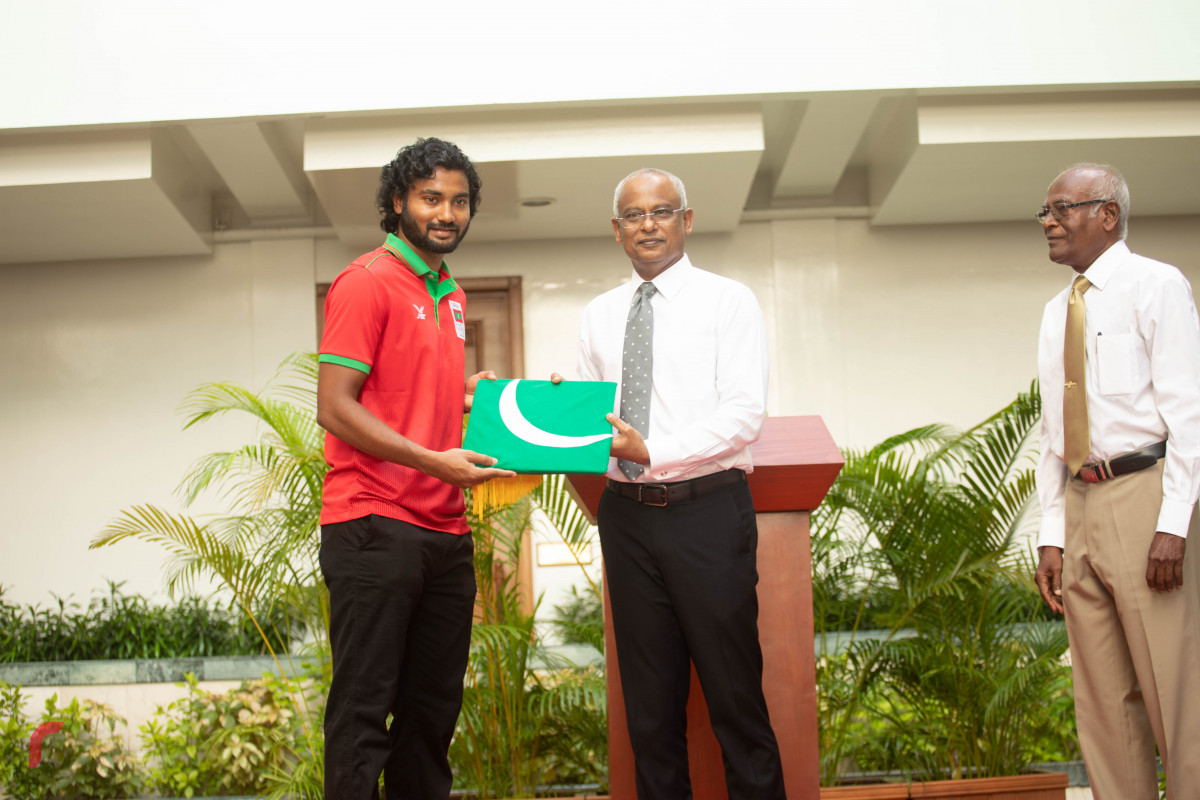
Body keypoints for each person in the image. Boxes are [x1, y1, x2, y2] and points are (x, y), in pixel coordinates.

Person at [575, 168, 786, 799]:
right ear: (617, 230)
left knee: (736, 702)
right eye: (635, 216)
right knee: (650, 713)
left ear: (686, 221)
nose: (649, 225)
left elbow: (746, 413)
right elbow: (591, 416)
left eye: (662, 212)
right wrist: (521, 415)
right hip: (626, 518)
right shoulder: (598, 314)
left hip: (707, 513)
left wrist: (655, 450)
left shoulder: (729, 301)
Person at [316, 137, 513, 800]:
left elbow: (403, 384)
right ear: (397, 200)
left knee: (430, 719)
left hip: (444, 533)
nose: (447, 212)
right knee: (363, 716)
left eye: (460, 201)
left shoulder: (449, 291)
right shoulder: (366, 281)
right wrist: (434, 461)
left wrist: (469, 397)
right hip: (373, 524)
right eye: (432, 197)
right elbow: (336, 408)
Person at [1033, 163, 1200, 800]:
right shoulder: (1056, 310)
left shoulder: (1157, 286)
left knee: (1174, 692)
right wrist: (1053, 535)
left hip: (1145, 495)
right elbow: (1054, 432)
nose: (1048, 222)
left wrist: (1173, 523)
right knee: (1101, 699)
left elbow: (1188, 413)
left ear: (1107, 214)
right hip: (1080, 503)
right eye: (1045, 212)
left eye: (1062, 209)